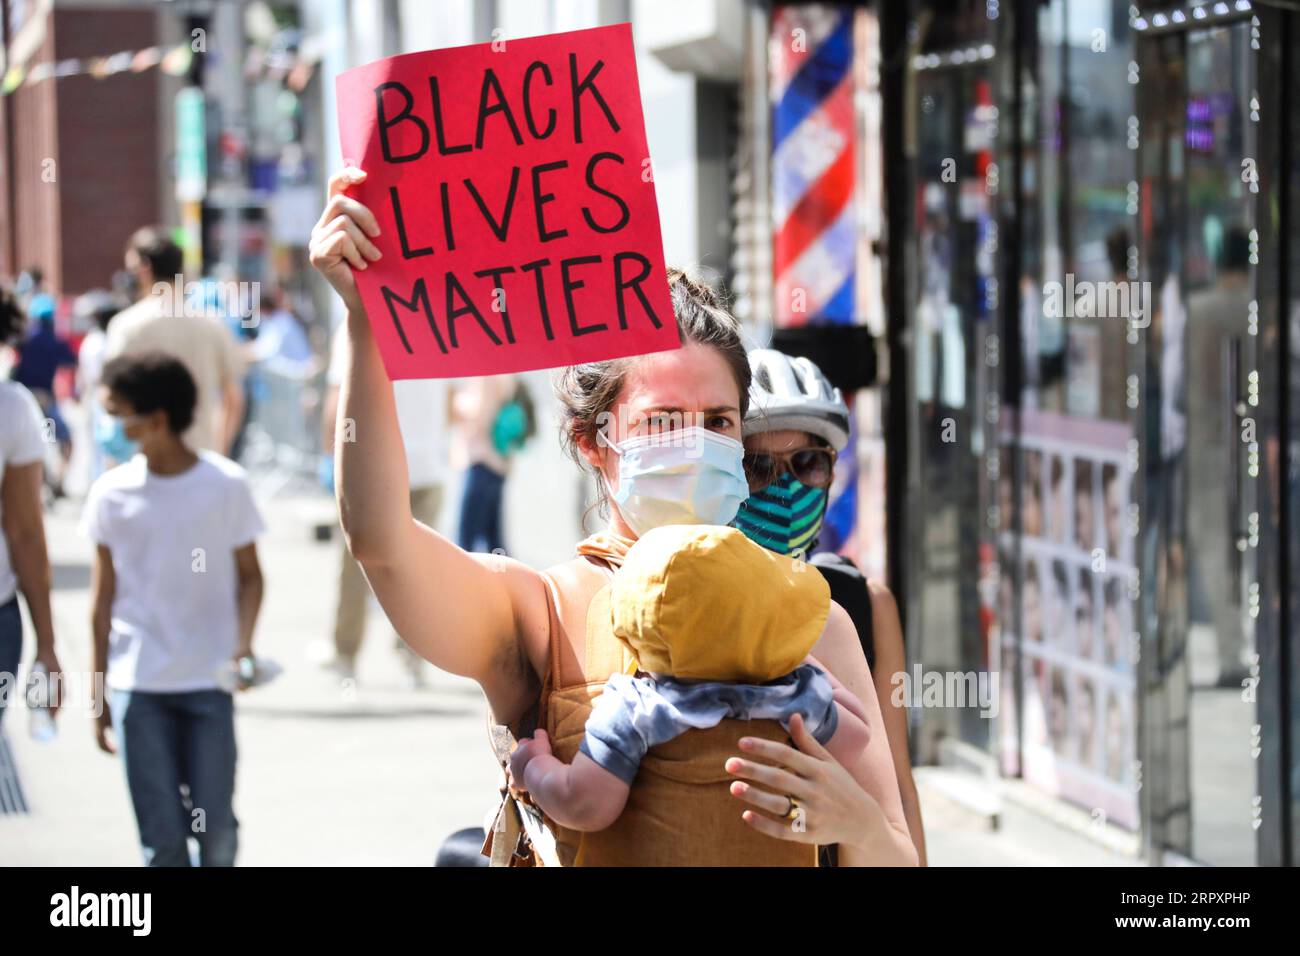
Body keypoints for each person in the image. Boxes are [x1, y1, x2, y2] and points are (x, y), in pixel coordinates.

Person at [309, 166, 916, 866]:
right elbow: (382, 542)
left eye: (718, 421)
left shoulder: (811, 617)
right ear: (594, 442)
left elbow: (898, 854)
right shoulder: (541, 609)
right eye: (663, 424)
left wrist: (858, 826)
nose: (696, 443)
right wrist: (366, 323)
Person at [510, 525, 872, 834]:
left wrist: (535, 767)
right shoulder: (795, 699)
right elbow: (856, 739)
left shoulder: (637, 709)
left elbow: (584, 805)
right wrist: (798, 661)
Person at [735, 348, 928, 865]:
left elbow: (899, 790)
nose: (786, 489)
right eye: (757, 466)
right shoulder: (675, 601)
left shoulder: (862, 604)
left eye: (808, 463)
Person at [82, 351, 265, 866]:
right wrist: (98, 697)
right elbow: (101, 604)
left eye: (117, 414)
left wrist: (243, 646)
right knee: (161, 842)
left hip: (208, 689)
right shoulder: (110, 495)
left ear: (157, 419)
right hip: (138, 694)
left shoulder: (225, 485)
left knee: (217, 833)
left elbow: (251, 578)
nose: (110, 427)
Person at [320, 322, 449, 685]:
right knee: (418, 569)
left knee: (356, 562)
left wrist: (330, 455)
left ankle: (346, 655)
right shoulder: (439, 322)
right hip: (425, 464)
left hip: (370, 465)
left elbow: (337, 397)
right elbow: (452, 402)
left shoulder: (353, 325)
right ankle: (413, 656)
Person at [103, 228, 245, 456]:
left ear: (144, 267)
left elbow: (110, 397)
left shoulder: (126, 326)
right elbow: (234, 399)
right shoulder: (213, 324)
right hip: (201, 457)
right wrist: (219, 452)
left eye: (130, 270)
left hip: (144, 462)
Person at [0, 288, 62, 726]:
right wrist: (47, 645)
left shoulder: (13, 407)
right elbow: (24, 531)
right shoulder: (12, 407)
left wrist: (47, 646)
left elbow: (25, 532)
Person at [9, 292, 76, 496]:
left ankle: (45, 481)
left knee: (36, 441)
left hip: (24, 399)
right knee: (62, 440)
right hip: (44, 399)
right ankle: (56, 480)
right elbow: (71, 361)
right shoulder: (54, 341)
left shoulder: (24, 339)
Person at [452, 375, 519, 554]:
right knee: (494, 540)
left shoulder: (485, 375)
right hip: (498, 462)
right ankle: (506, 580)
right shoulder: (505, 372)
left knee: (465, 541)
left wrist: (456, 402)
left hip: (480, 460)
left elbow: (480, 416)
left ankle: (463, 582)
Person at [75, 290, 127, 481]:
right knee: (105, 444)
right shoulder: (102, 341)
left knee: (101, 444)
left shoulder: (94, 340)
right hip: (102, 395)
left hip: (97, 395)